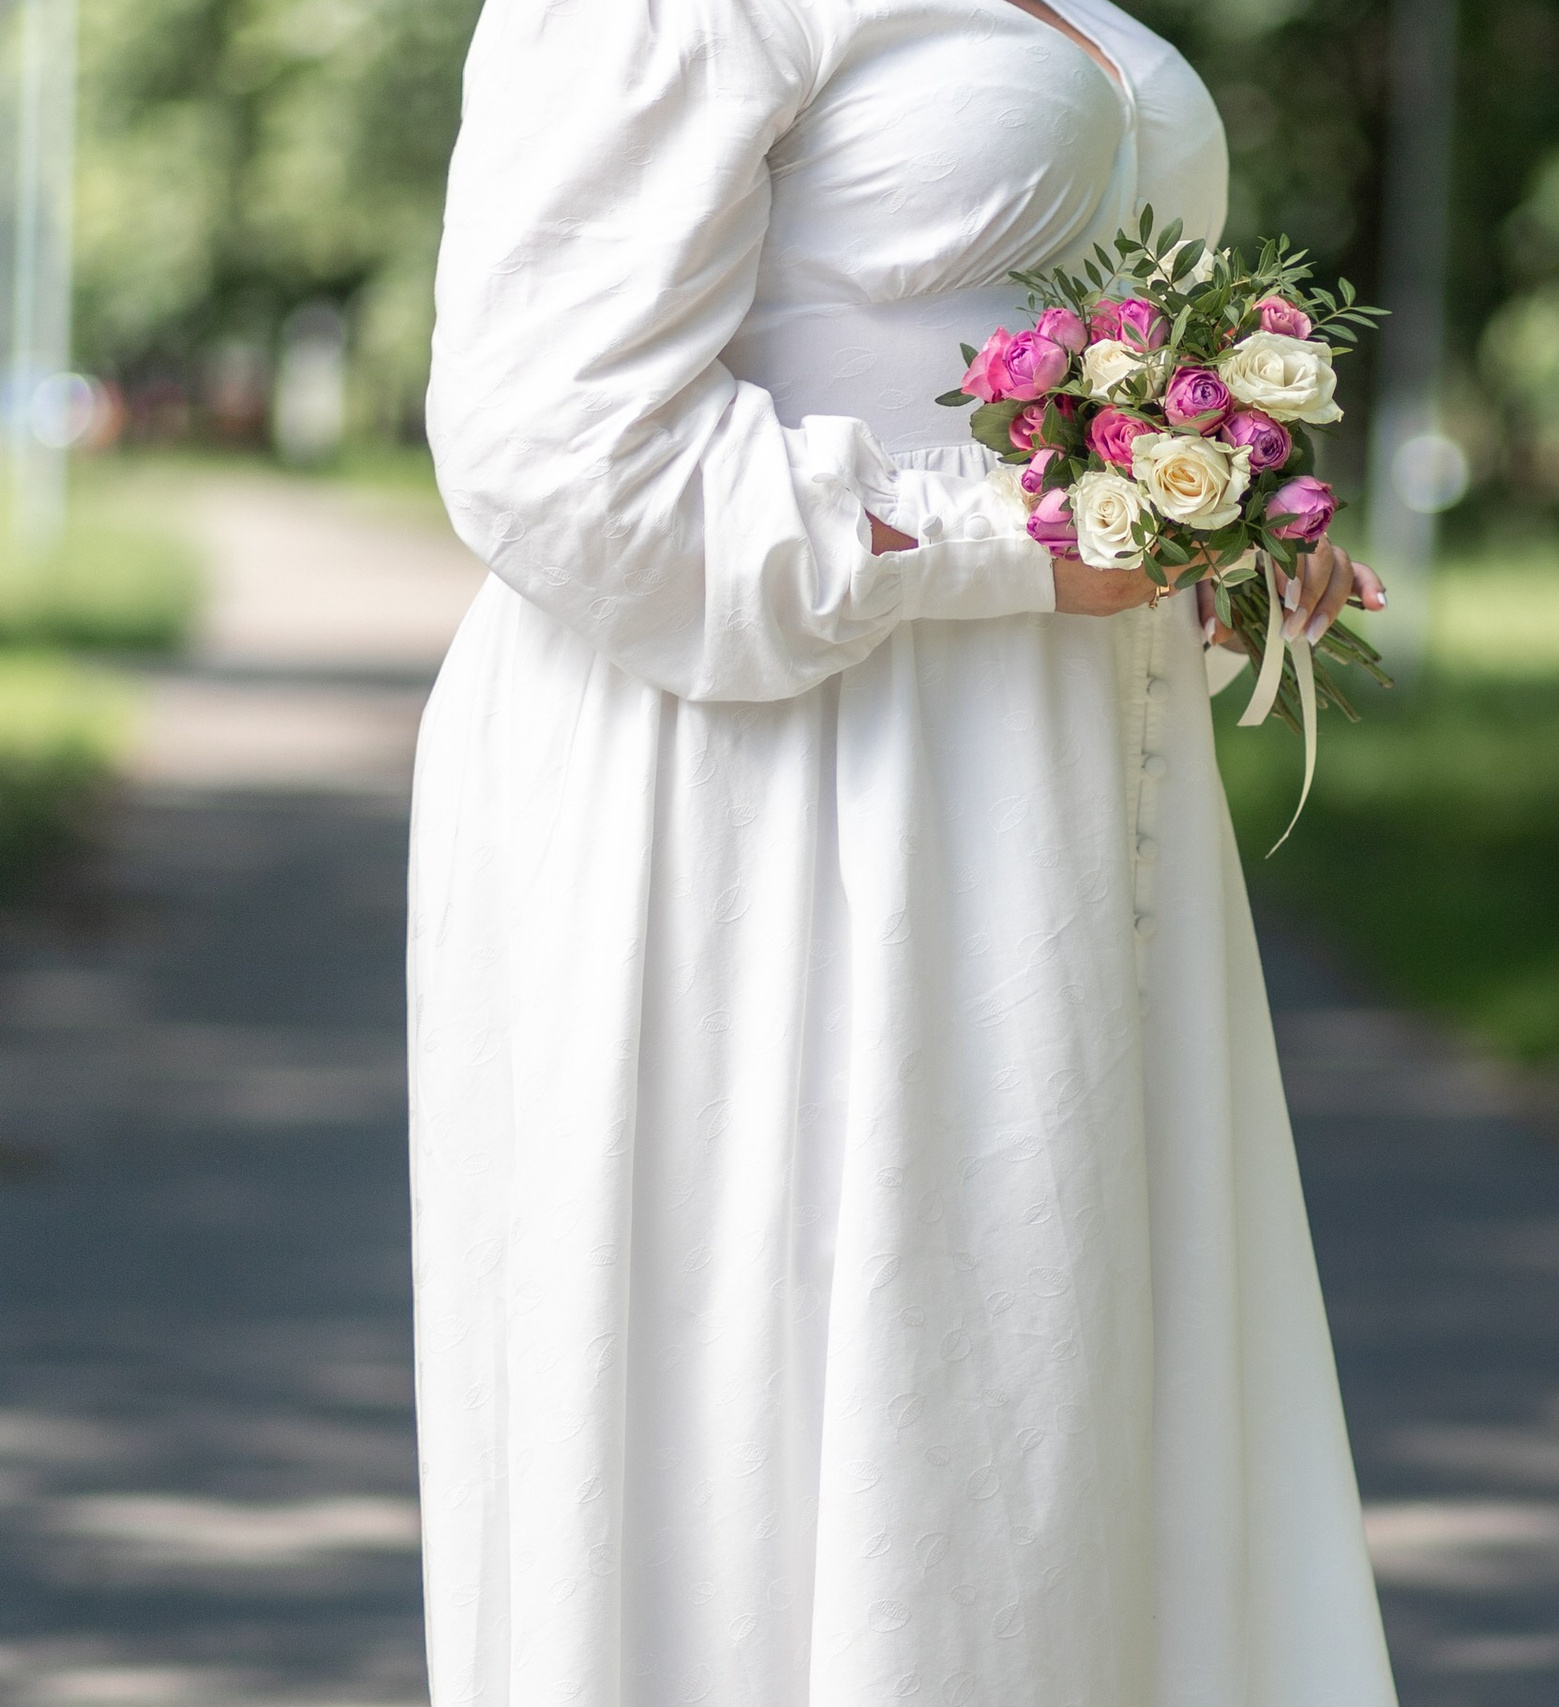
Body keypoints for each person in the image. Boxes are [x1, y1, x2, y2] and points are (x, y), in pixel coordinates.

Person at [406, 0, 1399, 1698]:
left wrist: (1212, 522)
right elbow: (551, 444)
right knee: (792, 1441)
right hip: (762, 779)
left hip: (1048, 789)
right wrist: (1011, 537)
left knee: (1048, 1417)